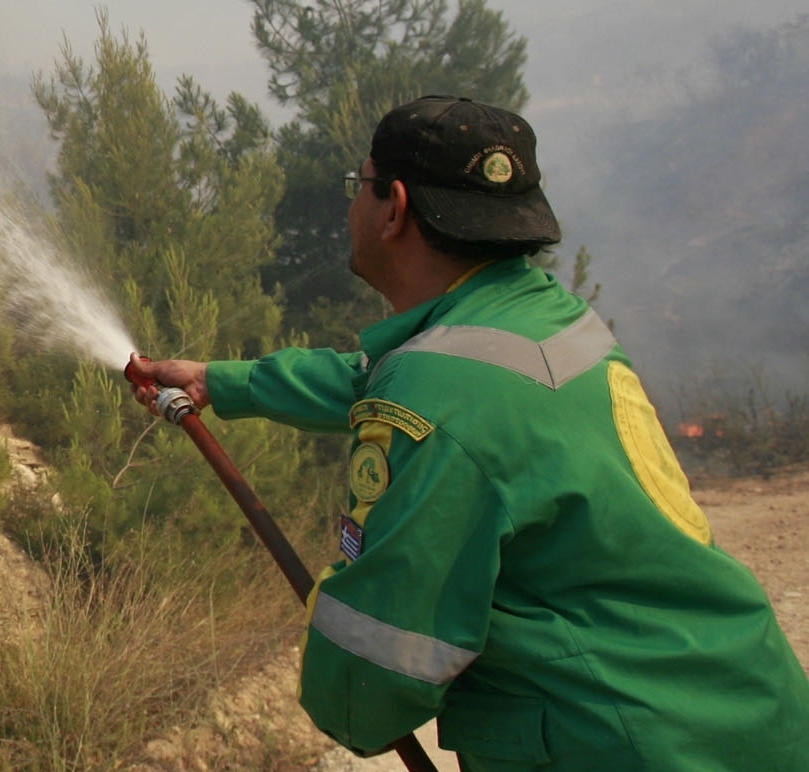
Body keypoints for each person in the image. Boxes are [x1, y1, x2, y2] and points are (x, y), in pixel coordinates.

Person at [134, 95, 809, 771]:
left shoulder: (435, 401)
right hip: (747, 710)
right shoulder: (544, 321)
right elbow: (389, 378)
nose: (353, 207)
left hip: (624, 746)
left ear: (392, 206)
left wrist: (330, 666)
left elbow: (370, 677)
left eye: (357, 187)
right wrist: (218, 382)